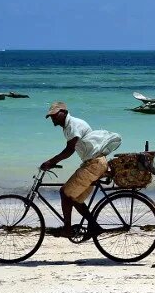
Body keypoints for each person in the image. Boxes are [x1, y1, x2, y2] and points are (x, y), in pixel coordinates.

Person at [40, 101, 121, 237]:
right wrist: (53, 161)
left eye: (55, 115)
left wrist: (51, 161)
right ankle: (94, 227)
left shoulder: (73, 125)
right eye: (51, 116)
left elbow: (69, 150)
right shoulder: (68, 127)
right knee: (75, 199)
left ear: (64, 112)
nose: (53, 118)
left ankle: (67, 229)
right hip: (94, 163)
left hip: (93, 164)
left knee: (64, 193)